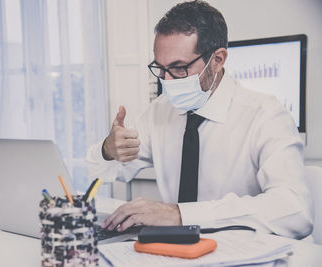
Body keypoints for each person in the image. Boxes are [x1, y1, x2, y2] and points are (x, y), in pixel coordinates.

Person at [86, 0, 313, 239]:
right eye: (160, 69)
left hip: (241, 255)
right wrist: (108, 150)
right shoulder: (160, 112)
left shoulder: (266, 115)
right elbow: (100, 172)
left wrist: (180, 214)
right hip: (170, 254)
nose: (168, 81)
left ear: (218, 60)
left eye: (179, 68)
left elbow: (295, 212)